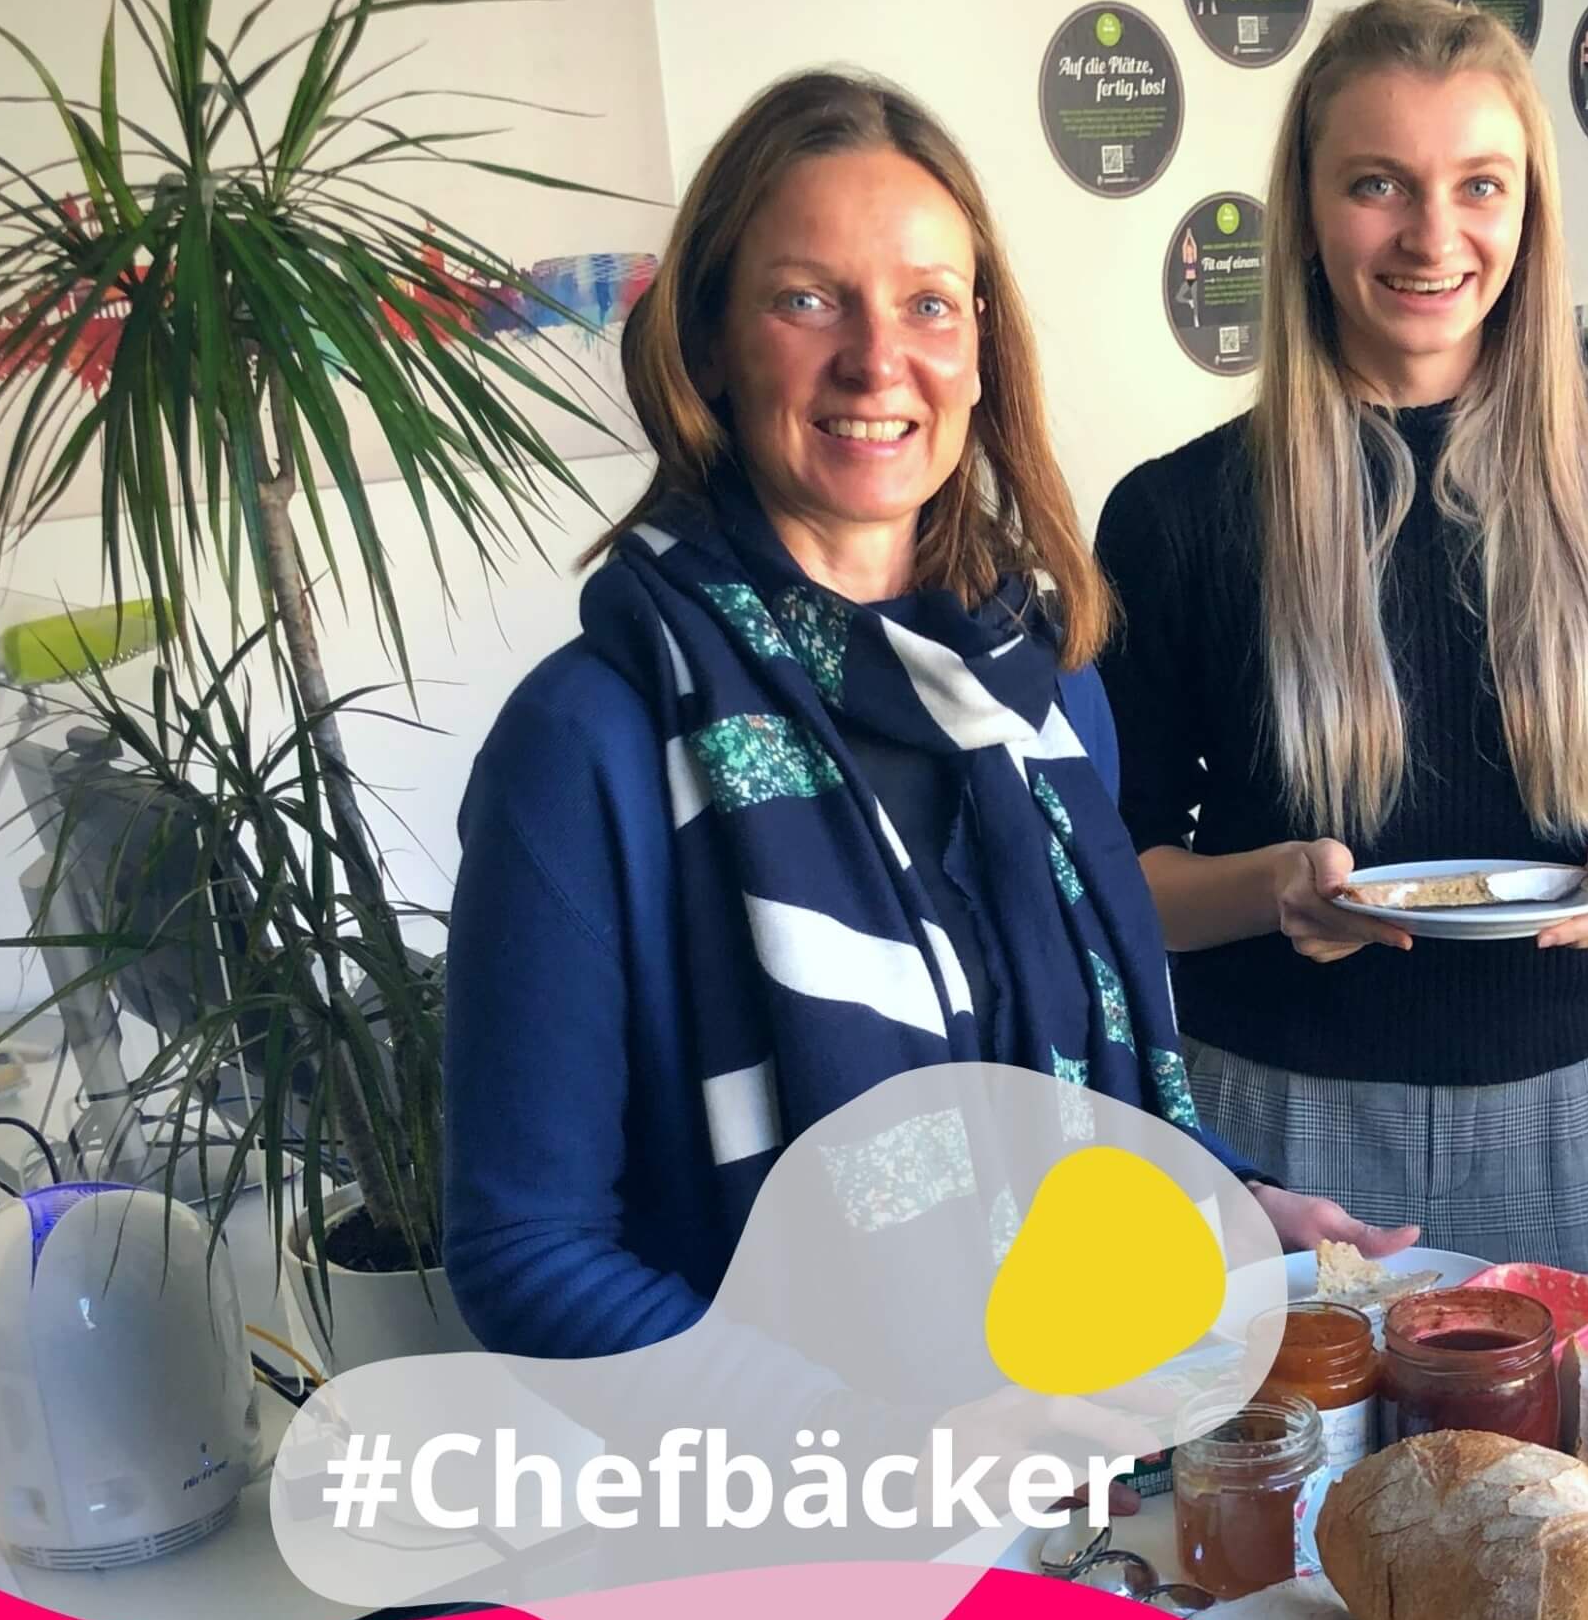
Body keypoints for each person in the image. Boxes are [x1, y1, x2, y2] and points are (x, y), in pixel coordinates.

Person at [444, 71, 1412, 1365]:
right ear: (713, 343)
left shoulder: (1047, 689)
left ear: (978, 349)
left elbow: (1068, 1081)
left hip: (1081, 1451)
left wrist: (1230, 1195)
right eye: (806, 299)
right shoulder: (589, 743)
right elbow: (525, 1254)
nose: (876, 359)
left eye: (927, 306)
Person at [1095, 0, 1588, 1325]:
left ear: (1529, 208)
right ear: (1308, 207)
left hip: (1570, 1117)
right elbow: (1123, 882)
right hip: (1278, 1123)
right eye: (1378, 183)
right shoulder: (1176, 516)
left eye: (1478, 185)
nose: (1432, 236)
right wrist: (1277, 886)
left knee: (1572, 1515)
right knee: (1284, 1515)